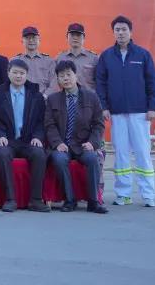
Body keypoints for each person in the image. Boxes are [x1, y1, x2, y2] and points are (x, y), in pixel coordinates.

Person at [95, 15, 155, 208]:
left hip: (140, 113)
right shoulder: (107, 56)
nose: (121, 33)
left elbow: (153, 82)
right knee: (121, 154)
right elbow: (100, 84)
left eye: (124, 29)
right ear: (113, 33)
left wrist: (153, 107)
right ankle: (123, 194)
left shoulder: (142, 55)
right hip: (117, 113)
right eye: (117, 30)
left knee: (142, 153)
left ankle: (148, 195)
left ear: (130, 32)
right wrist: (104, 107)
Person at [46, 60, 108, 214]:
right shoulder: (53, 99)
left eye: (69, 74)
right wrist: (57, 143)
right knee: (59, 159)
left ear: (76, 75)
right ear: (58, 79)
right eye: (62, 76)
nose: (66, 78)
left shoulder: (91, 97)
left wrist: (92, 143)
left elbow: (99, 124)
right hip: (63, 145)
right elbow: (49, 125)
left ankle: (93, 201)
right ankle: (69, 200)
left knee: (92, 159)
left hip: (83, 145)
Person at [0, 58, 49, 213]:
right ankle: (10, 199)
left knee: (39, 154)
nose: (18, 76)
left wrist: (37, 137)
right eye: (15, 72)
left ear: (26, 75)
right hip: (7, 140)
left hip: (28, 140)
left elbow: (41, 121)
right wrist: (0, 135)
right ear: (8, 73)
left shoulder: (35, 95)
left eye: (22, 73)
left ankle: (35, 200)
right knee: (2, 154)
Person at [13, 26, 57, 95]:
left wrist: (44, 96)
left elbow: (54, 83)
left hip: (43, 99)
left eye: (34, 37)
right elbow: (10, 82)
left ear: (39, 40)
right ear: (22, 41)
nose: (31, 40)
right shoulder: (15, 61)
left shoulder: (49, 61)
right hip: (21, 99)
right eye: (27, 38)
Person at [55, 23, 98, 91]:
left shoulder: (94, 58)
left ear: (84, 37)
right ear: (67, 37)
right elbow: (55, 81)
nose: (75, 38)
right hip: (66, 96)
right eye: (72, 35)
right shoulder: (60, 58)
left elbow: (100, 81)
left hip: (88, 96)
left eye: (78, 35)